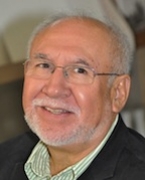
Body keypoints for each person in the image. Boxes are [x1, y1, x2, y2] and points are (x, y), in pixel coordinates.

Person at [0, 14, 145, 180]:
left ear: (118, 92)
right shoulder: (5, 158)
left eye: (80, 70)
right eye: (44, 65)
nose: (54, 89)